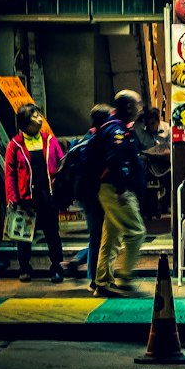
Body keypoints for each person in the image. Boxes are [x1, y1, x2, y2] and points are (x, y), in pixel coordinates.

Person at [86, 90, 147, 295]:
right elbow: (115, 160)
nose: (140, 108)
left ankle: (102, 282)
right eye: (138, 104)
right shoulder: (116, 130)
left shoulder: (113, 126)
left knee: (111, 237)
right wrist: (121, 189)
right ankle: (124, 277)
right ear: (129, 107)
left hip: (109, 189)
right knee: (136, 232)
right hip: (115, 190)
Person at [4, 102, 65, 283]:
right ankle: (24, 268)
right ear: (25, 123)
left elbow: (61, 163)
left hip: (48, 197)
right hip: (25, 199)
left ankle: (56, 267)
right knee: (24, 237)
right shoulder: (14, 145)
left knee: (52, 233)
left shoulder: (49, 140)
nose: (40, 118)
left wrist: (61, 190)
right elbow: (10, 173)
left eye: (39, 114)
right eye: (35, 115)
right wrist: (12, 197)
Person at [61, 103, 112, 286]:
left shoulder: (88, 137)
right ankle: (93, 277)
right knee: (99, 236)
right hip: (95, 195)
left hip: (86, 194)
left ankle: (80, 262)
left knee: (98, 235)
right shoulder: (97, 140)